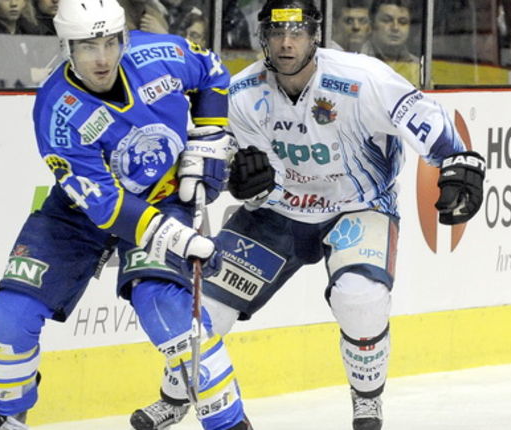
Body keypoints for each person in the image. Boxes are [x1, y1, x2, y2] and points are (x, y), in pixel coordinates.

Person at [129, 0, 486, 429]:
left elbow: (422, 117)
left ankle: (367, 400)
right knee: (207, 310)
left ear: (315, 35)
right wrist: (241, 183)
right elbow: (218, 164)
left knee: (361, 298)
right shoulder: (241, 94)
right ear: (262, 38)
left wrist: (458, 165)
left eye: (297, 32)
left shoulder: (362, 79)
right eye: (277, 33)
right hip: (276, 212)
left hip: (359, 205)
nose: (286, 42)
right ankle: (174, 397)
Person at [0, 0, 254, 429]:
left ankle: (229, 423)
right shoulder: (57, 109)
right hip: (80, 210)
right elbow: (107, 207)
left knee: (166, 307)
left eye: (110, 43)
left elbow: (211, 72)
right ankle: (7, 415)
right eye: (86, 47)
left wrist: (209, 136)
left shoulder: (160, 55)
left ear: (123, 38)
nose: (101, 58)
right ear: (65, 47)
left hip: (165, 195)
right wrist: (180, 239)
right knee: (9, 317)